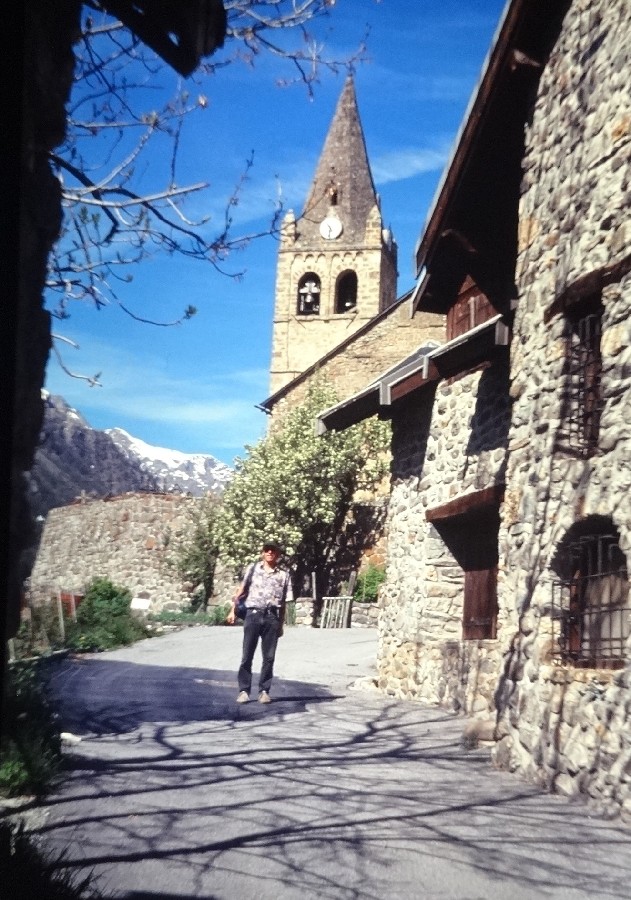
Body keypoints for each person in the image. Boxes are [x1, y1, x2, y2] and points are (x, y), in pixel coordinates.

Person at [227, 540, 293, 704]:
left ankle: (264, 691)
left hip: (272, 617)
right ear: (263, 553)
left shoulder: (284, 575)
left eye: (273, 550)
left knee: (269, 657)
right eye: (267, 550)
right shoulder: (253, 569)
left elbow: (283, 602)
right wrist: (232, 610)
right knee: (247, 655)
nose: (270, 552)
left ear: (277, 554)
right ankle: (244, 691)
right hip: (253, 614)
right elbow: (241, 590)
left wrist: (281, 624)